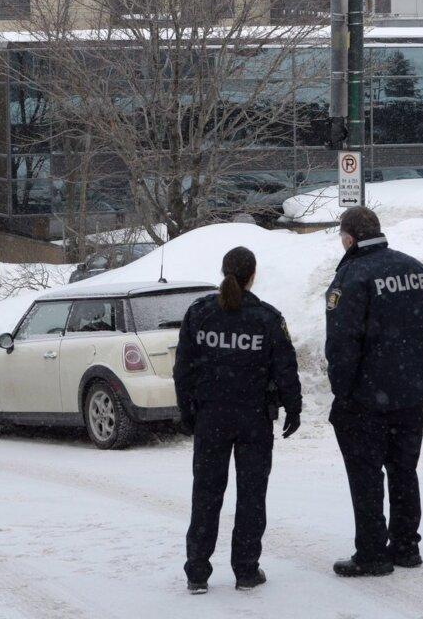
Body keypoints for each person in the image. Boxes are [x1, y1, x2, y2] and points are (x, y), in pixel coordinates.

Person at [173, 246, 303, 594]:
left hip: (210, 416)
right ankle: (246, 570)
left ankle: (197, 573)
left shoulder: (199, 314)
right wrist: (294, 407)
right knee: (251, 495)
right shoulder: (266, 317)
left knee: (206, 494)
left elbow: (182, 368)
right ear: (252, 275)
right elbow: (285, 368)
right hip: (254, 420)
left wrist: (186, 411)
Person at [325, 207, 423, 578]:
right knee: (404, 470)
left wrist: (343, 394)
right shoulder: (416, 270)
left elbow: (342, 344)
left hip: (367, 396)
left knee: (366, 475)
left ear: (349, 237)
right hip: (410, 391)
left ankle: (372, 554)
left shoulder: (353, 275)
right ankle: (406, 547)